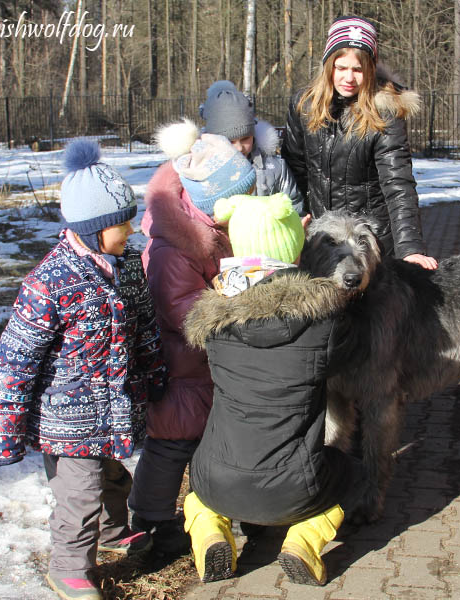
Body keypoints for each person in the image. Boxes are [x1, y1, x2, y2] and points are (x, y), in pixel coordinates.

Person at [0, 139, 167, 600]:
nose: (131, 229)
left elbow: (143, 324)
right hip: (64, 419)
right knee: (79, 494)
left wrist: (155, 370)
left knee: (111, 477)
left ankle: (111, 532)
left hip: (109, 408)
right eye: (121, 223)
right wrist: (4, 431)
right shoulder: (50, 282)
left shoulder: (125, 269)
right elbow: (15, 360)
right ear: (93, 227)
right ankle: (68, 567)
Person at [181, 193, 362, 586]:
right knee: (351, 473)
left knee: (198, 495)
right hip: (293, 489)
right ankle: (302, 541)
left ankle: (211, 528)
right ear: (294, 250)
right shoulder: (324, 323)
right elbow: (353, 358)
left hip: (214, 480)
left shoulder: (213, 324)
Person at [126, 121, 257, 554]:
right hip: (178, 366)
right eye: (238, 198)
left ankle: (223, 512)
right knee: (170, 447)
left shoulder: (214, 231)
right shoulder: (170, 250)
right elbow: (183, 311)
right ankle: (150, 519)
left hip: (206, 364)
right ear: (209, 202)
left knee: (213, 442)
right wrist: (231, 307)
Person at [281, 15, 438, 270]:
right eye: (341, 68)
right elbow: (293, 171)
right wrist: (295, 219)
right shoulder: (304, 106)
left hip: (370, 245)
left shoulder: (384, 113)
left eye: (358, 70)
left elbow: (397, 184)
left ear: (370, 70)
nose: (349, 78)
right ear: (328, 65)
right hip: (319, 241)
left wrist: (410, 248)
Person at [199, 80, 305, 214]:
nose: (239, 148)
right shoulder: (200, 172)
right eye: (230, 141)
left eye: (245, 139)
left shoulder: (274, 167)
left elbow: (293, 202)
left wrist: (297, 223)